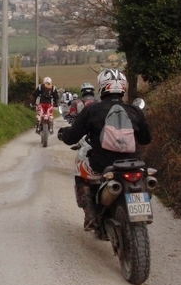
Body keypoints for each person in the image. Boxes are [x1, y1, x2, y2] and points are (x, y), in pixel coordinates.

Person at [57, 69, 151, 231]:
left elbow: (71, 137)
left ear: (101, 86)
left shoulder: (92, 110)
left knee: (80, 169)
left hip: (102, 164)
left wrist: (63, 133)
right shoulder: (134, 111)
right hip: (134, 163)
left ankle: (91, 215)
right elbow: (146, 139)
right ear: (123, 87)